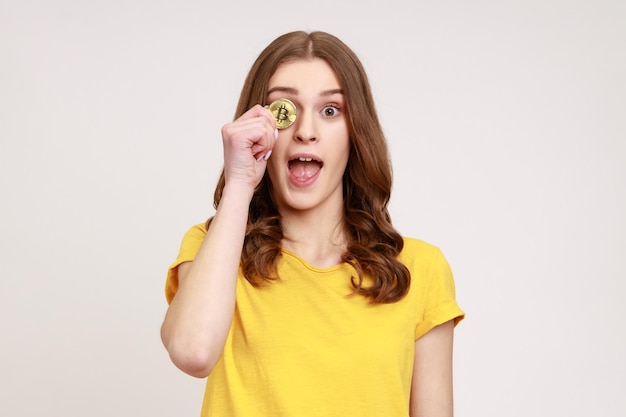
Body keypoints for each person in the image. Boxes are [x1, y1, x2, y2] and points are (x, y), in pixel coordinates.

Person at [160, 30, 464, 417]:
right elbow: (193, 352)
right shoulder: (215, 247)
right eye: (284, 109)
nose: (305, 131)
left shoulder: (420, 269)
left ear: (356, 132)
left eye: (330, 110)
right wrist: (239, 182)